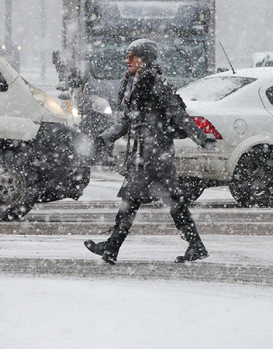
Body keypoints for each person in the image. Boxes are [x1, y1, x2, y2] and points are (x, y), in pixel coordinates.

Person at [84, 38, 216, 265]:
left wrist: (202, 138)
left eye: (132, 57)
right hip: (143, 152)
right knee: (169, 200)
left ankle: (112, 247)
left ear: (145, 60)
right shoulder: (130, 83)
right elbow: (126, 121)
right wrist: (104, 138)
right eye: (127, 56)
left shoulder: (157, 85)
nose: (127, 60)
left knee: (133, 199)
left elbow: (179, 115)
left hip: (155, 153)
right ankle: (195, 245)